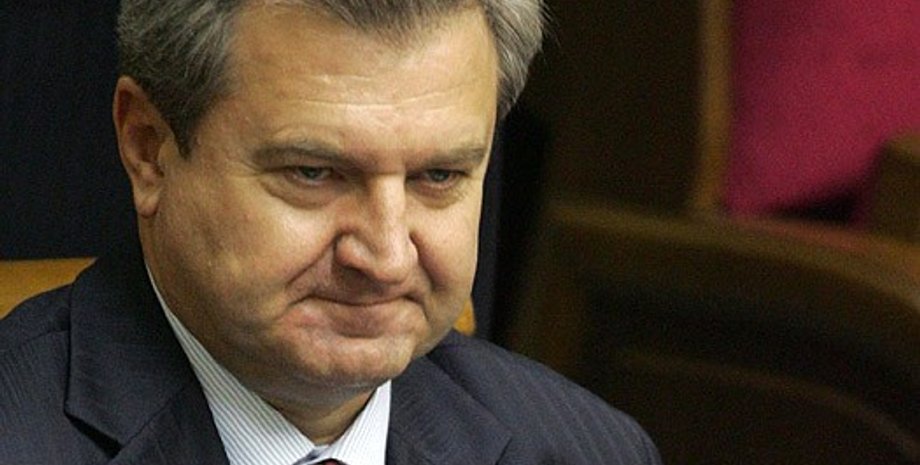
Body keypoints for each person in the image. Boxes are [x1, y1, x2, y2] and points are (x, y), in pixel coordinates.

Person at [0, 1, 662, 463]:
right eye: (313, 173)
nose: (386, 256)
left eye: (438, 176)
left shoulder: (588, 449)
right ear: (148, 149)